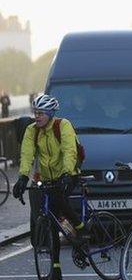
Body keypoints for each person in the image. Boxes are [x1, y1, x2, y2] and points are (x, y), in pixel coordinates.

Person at [12, 94, 84, 280]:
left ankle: (81, 228)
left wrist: (68, 173)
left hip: (68, 174)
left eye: (41, 113)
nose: (37, 116)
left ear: (51, 113)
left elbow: (70, 150)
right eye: (35, 112)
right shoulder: (31, 130)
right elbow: (27, 154)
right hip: (47, 178)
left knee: (59, 201)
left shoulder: (63, 125)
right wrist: (22, 178)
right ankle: (56, 267)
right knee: (51, 220)